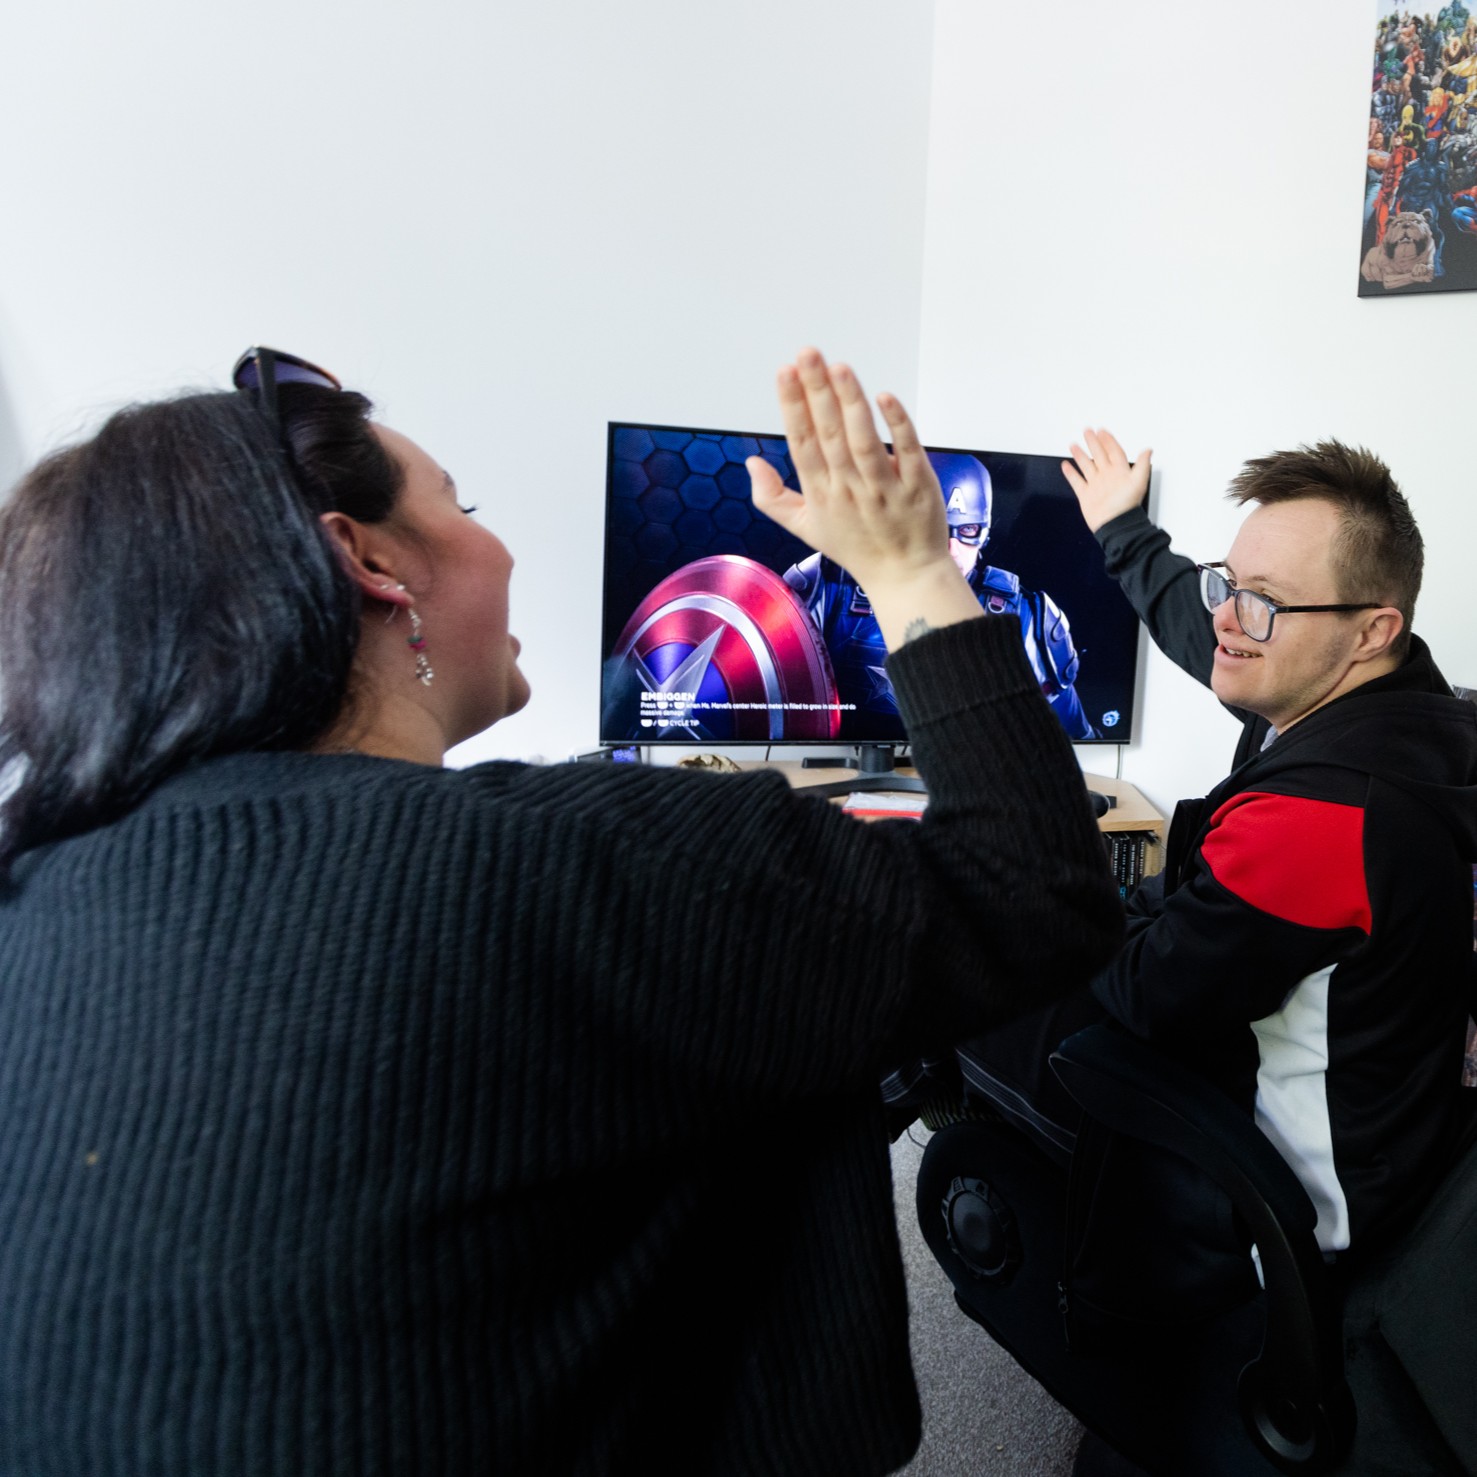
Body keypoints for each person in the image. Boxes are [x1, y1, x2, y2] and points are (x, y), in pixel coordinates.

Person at [0, 346, 1121, 1476]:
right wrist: (914, 569)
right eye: (463, 505)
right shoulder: (590, 856)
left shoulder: (32, 899)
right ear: (371, 560)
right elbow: (1033, 890)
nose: (502, 539)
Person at [893, 426, 1477, 1277]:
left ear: (1369, 629)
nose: (1225, 620)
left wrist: (1041, 874)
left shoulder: (1324, 816)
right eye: (1226, 584)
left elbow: (1139, 995)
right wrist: (1123, 531)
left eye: (1261, 603)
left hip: (1288, 1205)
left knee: (968, 958)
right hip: (1383, 1126)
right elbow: (1196, 624)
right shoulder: (1411, 710)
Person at [783, 450, 1098, 740]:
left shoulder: (1026, 618)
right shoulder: (829, 584)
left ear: (983, 531)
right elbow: (768, 707)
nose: (949, 550)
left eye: (967, 531)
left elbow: (1073, 744)